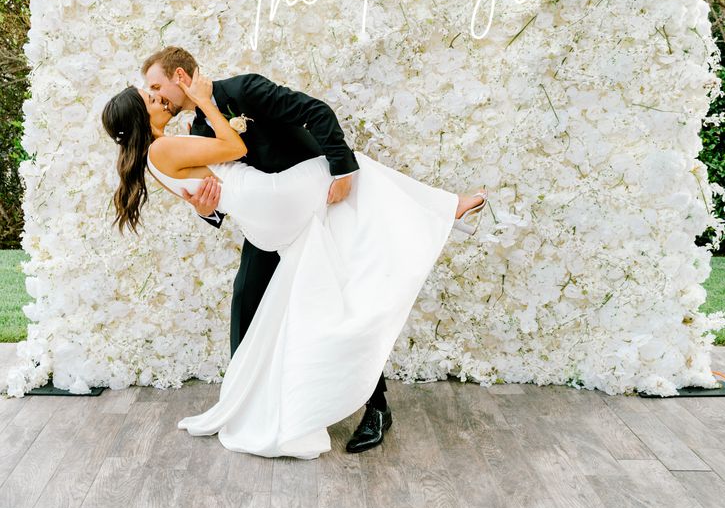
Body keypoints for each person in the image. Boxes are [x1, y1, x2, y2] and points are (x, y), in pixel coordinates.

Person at [101, 65, 488, 459]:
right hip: (273, 207)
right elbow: (223, 169)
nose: (158, 97)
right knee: (250, 302)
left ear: (179, 74)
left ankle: (366, 406)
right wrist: (205, 209)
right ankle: (445, 209)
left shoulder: (242, 90)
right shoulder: (180, 138)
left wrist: (342, 169)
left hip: (275, 211)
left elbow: (315, 112)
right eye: (150, 96)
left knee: (332, 285)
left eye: (156, 88)